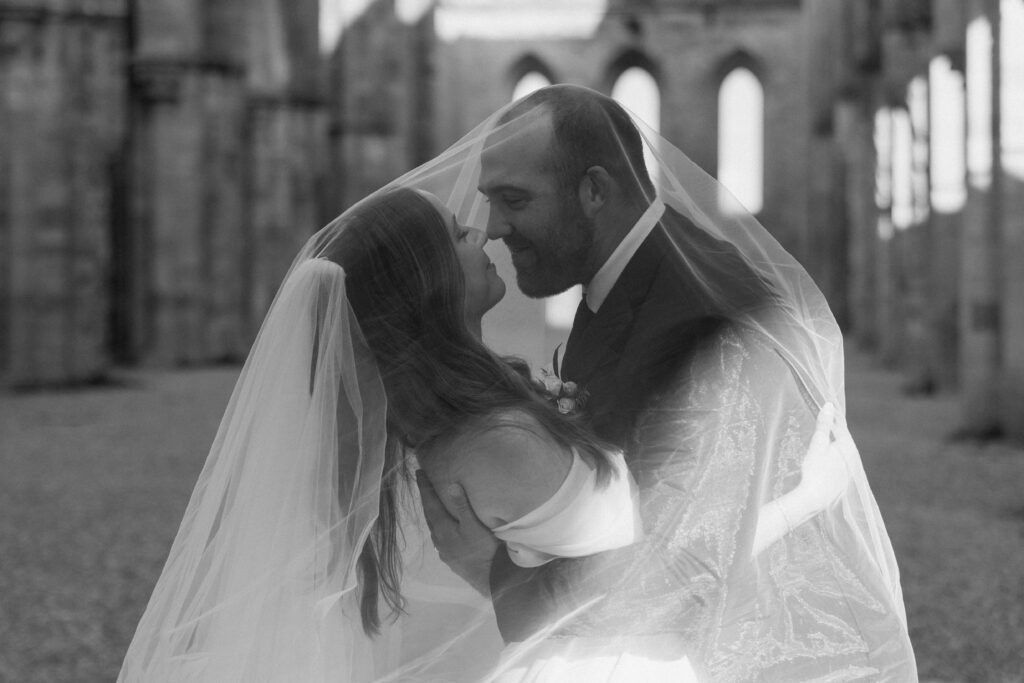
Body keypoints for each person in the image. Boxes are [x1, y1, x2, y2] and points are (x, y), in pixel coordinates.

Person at [117, 182, 858, 682]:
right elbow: (654, 569)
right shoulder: (490, 439)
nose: (481, 228)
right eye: (453, 232)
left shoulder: (462, 415)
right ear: (424, 283)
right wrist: (803, 495)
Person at [419, 85, 918, 680]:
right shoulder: (627, 277)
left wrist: (490, 570)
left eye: (515, 200)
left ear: (595, 191)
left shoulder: (707, 327)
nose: (494, 227)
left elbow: (676, 572)